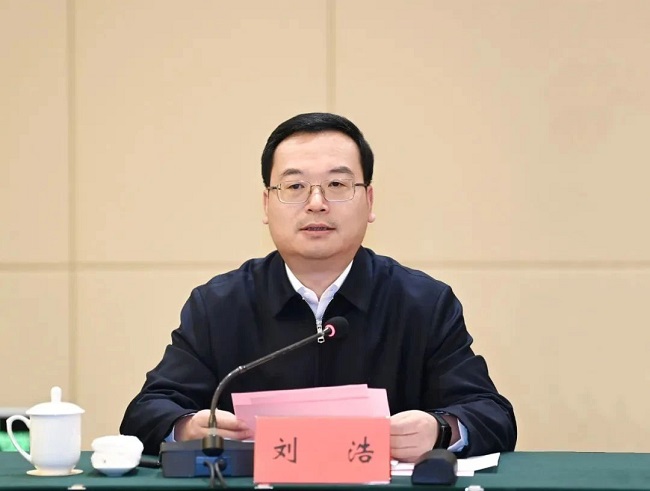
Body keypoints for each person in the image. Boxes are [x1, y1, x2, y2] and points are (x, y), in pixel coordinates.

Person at [120, 112, 517, 461]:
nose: (316, 203)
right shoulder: (220, 305)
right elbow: (146, 412)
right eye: (294, 187)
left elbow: (491, 414)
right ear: (266, 204)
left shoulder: (422, 303)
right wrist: (188, 427)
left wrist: (440, 429)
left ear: (369, 200)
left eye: (337, 185)